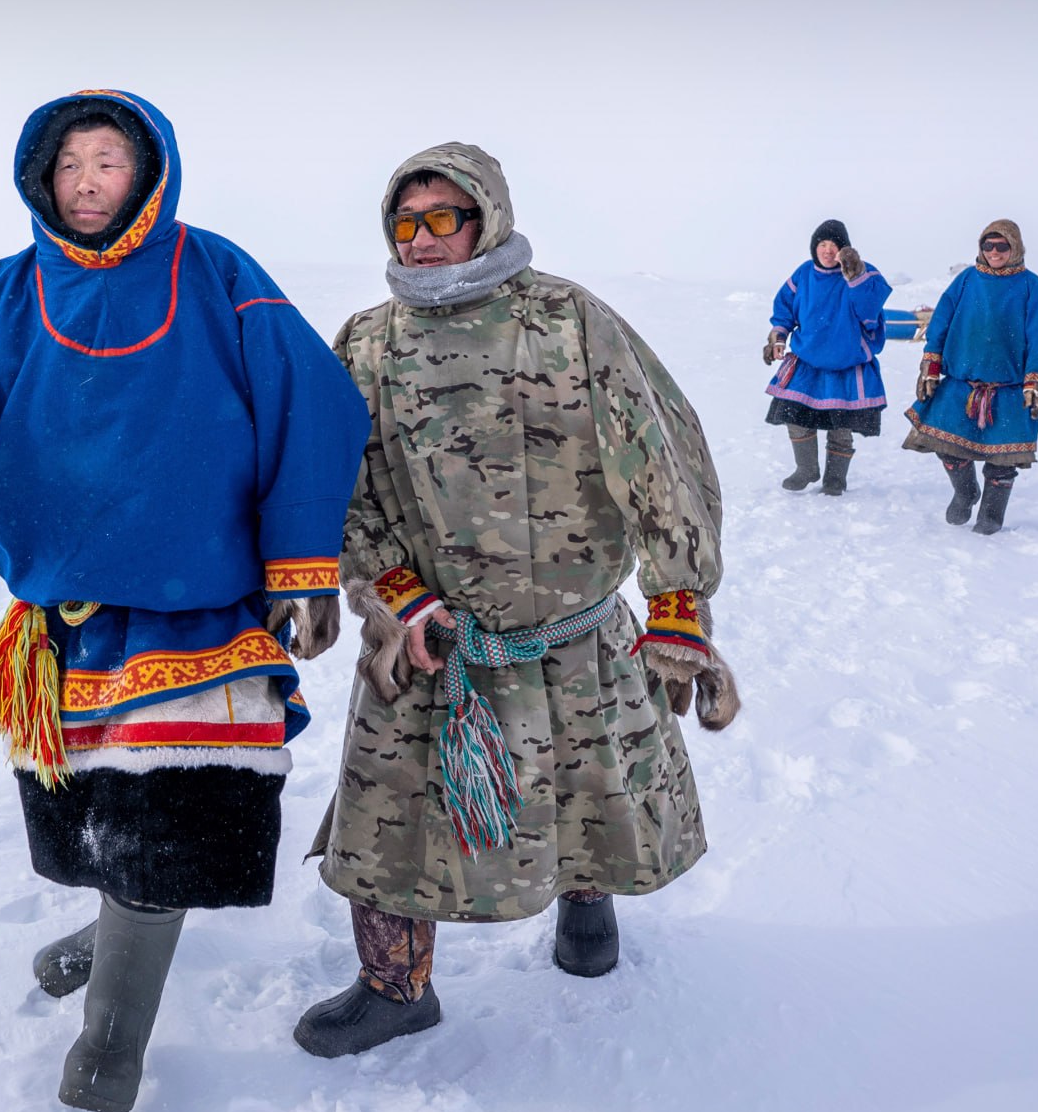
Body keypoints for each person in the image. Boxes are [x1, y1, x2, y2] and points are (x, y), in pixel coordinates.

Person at [0, 90, 370, 1112]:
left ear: (149, 172)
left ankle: (110, 1045)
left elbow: (311, 407)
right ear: (41, 177)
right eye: (70, 164)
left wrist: (304, 565)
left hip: (203, 609)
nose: (87, 182)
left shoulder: (219, 273)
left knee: (167, 821)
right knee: (95, 811)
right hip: (62, 619)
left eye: (108, 161)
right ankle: (112, 932)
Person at [292, 142, 739, 1058]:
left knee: (581, 785)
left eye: (442, 219)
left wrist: (679, 597)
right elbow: (340, 489)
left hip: (576, 634)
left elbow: (658, 455)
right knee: (390, 823)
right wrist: (396, 594)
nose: (421, 240)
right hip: (429, 642)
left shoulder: (568, 319)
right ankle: (395, 987)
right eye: (405, 223)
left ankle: (587, 909)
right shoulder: (367, 343)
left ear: (485, 216)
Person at [903, 219, 1038, 534]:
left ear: (1014, 247)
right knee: (946, 446)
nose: (994, 251)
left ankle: (990, 515)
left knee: (1002, 461)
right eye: (987, 245)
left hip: (1009, 389)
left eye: (1001, 245)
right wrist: (930, 367)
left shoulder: (1032, 287)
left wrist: (1035, 381)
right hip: (961, 385)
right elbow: (941, 323)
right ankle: (965, 492)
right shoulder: (966, 280)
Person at [762, 220, 892, 495]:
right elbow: (784, 309)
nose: (828, 251)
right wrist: (778, 337)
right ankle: (806, 468)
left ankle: (835, 479)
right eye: (822, 245)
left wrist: (855, 276)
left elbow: (870, 312)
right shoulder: (804, 274)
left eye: (834, 245)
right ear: (814, 247)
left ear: (844, 249)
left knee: (840, 424)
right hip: (808, 360)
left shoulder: (863, 273)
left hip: (847, 363)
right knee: (794, 414)